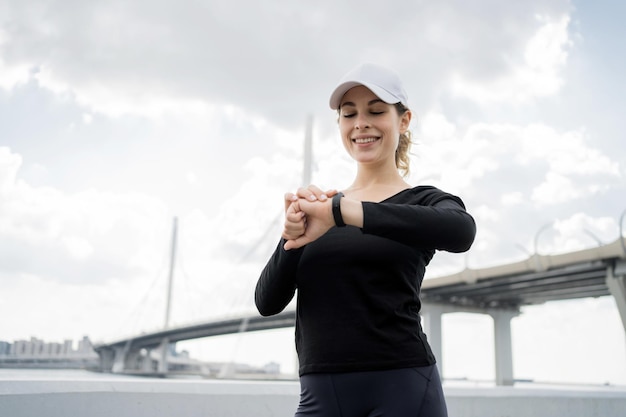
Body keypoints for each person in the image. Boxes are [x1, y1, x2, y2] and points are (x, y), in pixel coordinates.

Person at [255, 63, 476, 417]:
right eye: (349, 114)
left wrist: (344, 212)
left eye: (375, 111)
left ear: (403, 121)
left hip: (403, 388)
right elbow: (267, 302)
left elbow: (462, 231)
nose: (361, 123)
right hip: (321, 395)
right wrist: (290, 237)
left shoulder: (421, 202)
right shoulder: (319, 209)